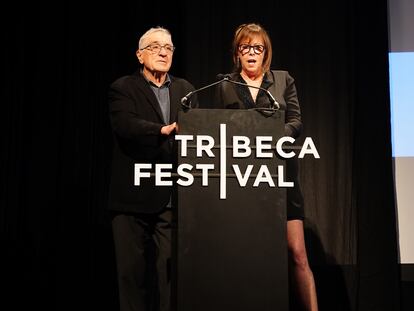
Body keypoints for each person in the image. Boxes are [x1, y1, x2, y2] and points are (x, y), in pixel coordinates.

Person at [215, 23, 318, 311]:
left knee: (297, 253)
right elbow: (218, 127)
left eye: (257, 48)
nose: (251, 53)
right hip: (243, 177)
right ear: (237, 53)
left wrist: (276, 138)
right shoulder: (225, 85)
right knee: (250, 253)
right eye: (245, 47)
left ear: (265, 53)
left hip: (281, 174)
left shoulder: (283, 80)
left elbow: (296, 121)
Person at [107, 26, 197, 311]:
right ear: (140, 55)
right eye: (155, 46)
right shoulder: (123, 87)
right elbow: (125, 126)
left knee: (170, 277)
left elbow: (196, 133)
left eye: (168, 48)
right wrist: (163, 130)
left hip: (170, 198)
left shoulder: (185, 89)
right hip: (131, 198)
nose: (163, 52)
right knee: (132, 277)